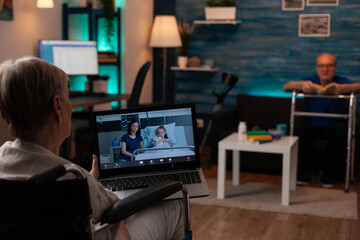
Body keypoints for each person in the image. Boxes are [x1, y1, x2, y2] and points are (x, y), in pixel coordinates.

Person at [0, 57, 185, 240]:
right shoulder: (74, 179)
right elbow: (117, 215)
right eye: (68, 97)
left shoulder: (6, 164)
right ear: (57, 105)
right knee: (175, 204)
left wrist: (90, 178)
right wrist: (89, 182)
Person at [283, 53, 360, 188]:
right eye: (321, 66)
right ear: (317, 68)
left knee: (340, 129)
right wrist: (301, 85)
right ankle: (306, 172)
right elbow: (286, 86)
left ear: (335, 67)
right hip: (311, 124)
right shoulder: (310, 81)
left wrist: (345, 88)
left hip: (333, 125)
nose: (325, 69)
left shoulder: (341, 81)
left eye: (329, 66)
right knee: (299, 127)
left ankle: (326, 173)